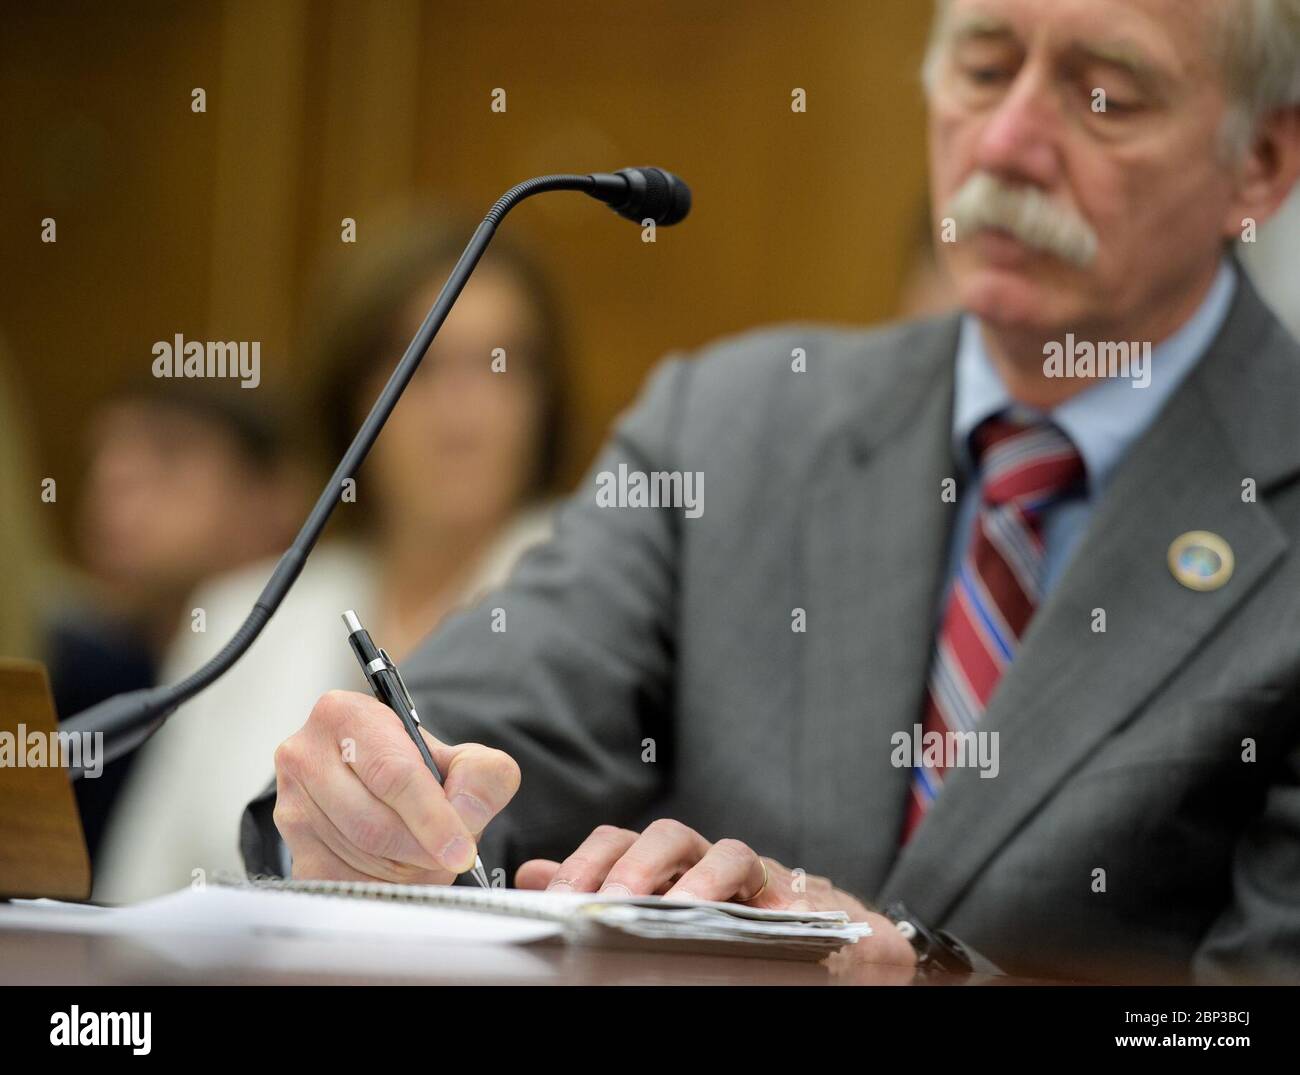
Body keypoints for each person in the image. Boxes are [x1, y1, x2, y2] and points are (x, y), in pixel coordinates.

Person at [246, 0, 1300, 983]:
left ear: (1259, 164)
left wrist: (932, 973)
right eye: (983, 69)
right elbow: (504, 704)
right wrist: (369, 804)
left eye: (1103, 94)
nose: (1006, 144)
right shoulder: (729, 423)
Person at [94, 210, 567, 902]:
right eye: (424, 364)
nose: (464, 408)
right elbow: (136, 893)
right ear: (352, 394)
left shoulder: (594, 595)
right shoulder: (242, 609)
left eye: (502, 363)